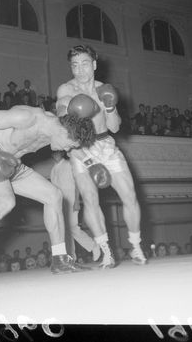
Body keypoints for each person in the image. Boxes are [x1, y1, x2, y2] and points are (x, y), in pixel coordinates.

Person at [0, 105, 96, 287]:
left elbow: (72, 146)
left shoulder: (57, 133)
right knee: (4, 202)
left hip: (11, 164)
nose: (67, 150)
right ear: (64, 130)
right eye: (69, 144)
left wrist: (91, 163)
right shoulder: (28, 117)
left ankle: (60, 259)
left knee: (54, 195)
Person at [56, 44, 147, 268]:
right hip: (80, 148)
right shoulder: (66, 90)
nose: (80, 70)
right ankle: (106, 250)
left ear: (94, 65)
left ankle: (136, 245)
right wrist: (86, 159)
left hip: (106, 144)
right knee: (90, 199)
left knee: (129, 195)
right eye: (75, 65)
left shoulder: (104, 89)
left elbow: (115, 127)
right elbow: (63, 120)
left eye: (85, 64)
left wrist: (108, 107)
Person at [50, 150, 101, 261]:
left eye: (58, 152)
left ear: (62, 153)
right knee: (65, 230)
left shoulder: (69, 164)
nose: (56, 155)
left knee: (73, 228)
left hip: (71, 200)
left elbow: (78, 182)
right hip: (60, 203)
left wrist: (77, 200)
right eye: (54, 153)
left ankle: (93, 246)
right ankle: (72, 257)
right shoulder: (53, 169)